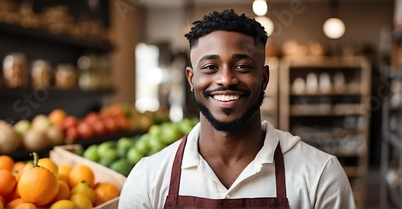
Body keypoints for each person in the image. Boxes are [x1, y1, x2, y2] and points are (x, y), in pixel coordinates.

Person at [118, 9, 356, 209]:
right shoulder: (148, 178)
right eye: (210, 66)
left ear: (264, 77)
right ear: (191, 79)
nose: (226, 79)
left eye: (242, 66)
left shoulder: (320, 175)